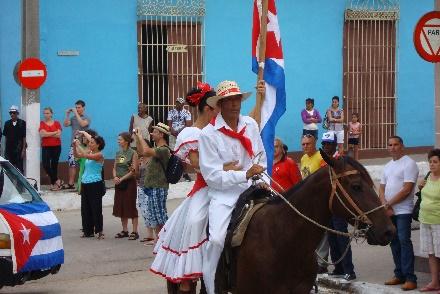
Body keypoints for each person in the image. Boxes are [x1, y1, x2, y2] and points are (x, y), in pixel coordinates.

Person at [151, 82, 224, 292]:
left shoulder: (219, 131)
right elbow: (197, 165)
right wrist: (225, 167)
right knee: (195, 222)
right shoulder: (191, 133)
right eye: (218, 106)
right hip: (205, 188)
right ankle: (186, 279)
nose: (222, 110)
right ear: (209, 108)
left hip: (227, 184)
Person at [198, 80, 267, 294]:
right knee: (217, 240)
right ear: (220, 104)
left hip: (254, 185)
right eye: (229, 101)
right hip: (224, 195)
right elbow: (212, 177)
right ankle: (211, 286)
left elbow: (260, 158)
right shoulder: (208, 134)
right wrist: (243, 174)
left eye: (237, 99)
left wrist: (259, 174)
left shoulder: (251, 125)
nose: (235, 104)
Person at [380, 135, 418, 291]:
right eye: (390, 145)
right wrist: (384, 205)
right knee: (394, 243)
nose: (392, 147)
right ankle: (399, 274)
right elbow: (381, 188)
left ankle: (410, 278)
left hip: (403, 211)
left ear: (402, 146)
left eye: (395, 144)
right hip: (389, 211)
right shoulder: (388, 166)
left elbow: (407, 189)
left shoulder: (409, 164)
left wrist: (389, 204)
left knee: (404, 241)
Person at [320, 131, 356, 281]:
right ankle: (338, 268)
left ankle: (349, 270)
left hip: (338, 206)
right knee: (332, 238)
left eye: (329, 144)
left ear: (335, 145)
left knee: (341, 237)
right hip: (328, 205)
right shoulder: (324, 161)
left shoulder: (339, 160)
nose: (326, 146)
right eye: (324, 144)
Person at [134, 122, 171, 242]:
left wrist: (140, 136)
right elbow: (142, 152)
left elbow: (146, 151)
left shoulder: (164, 150)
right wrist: (137, 138)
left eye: (154, 132)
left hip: (159, 187)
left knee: (160, 217)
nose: (152, 134)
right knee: (154, 217)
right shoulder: (157, 149)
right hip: (152, 187)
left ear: (161, 134)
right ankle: (159, 240)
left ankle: (166, 240)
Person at [300, 133, 327, 272]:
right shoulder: (304, 158)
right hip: (307, 200)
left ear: (315, 143)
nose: (305, 146)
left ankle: (322, 263)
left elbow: (324, 178)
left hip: (319, 200)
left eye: (308, 144)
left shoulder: (321, 157)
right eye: (303, 144)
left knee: (322, 232)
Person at [73, 131, 105, 240]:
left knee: (96, 208)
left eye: (92, 143)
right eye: (90, 142)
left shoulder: (99, 155)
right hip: (85, 183)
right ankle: (88, 231)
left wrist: (79, 145)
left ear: (98, 145)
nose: (89, 144)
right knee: (85, 208)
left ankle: (99, 231)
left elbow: (86, 155)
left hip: (95, 183)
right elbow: (77, 155)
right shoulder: (89, 152)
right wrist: (74, 146)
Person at [418, 149, 440, 292]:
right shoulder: (427, 176)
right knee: (431, 253)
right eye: (430, 161)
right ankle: (434, 282)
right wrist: (421, 187)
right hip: (425, 220)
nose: (432, 164)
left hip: (438, 221)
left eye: (435, 162)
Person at [113, 132, 139, 240]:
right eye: (118, 139)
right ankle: (125, 230)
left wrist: (122, 178)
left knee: (130, 206)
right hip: (119, 182)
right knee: (121, 206)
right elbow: (114, 167)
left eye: (120, 140)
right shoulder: (118, 153)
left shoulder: (133, 153)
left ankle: (135, 231)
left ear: (127, 141)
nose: (118, 141)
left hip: (129, 183)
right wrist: (115, 177)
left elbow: (134, 171)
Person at [63, 99, 91, 190]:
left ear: (83, 108)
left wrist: (75, 113)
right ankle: (71, 183)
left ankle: (83, 182)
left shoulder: (87, 117)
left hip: (84, 145)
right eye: (76, 107)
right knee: (72, 164)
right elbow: (66, 124)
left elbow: (82, 124)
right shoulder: (73, 118)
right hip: (74, 144)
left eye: (79, 107)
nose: (77, 109)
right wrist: (67, 115)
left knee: (84, 164)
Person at [167, 97, 192, 182]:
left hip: (182, 135)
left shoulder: (187, 113)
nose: (177, 104)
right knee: (173, 153)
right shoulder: (171, 112)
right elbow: (169, 124)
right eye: (176, 102)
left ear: (183, 104)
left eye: (179, 103)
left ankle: (185, 173)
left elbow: (188, 125)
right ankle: (173, 171)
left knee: (183, 154)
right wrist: (173, 131)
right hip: (173, 135)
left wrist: (179, 132)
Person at [39, 107, 63, 190]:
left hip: (56, 146)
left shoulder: (57, 123)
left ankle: (54, 185)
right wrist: (54, 132)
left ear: (51, 114)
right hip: (46, 146)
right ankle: (57, 180)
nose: (46, 115)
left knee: (54, 165)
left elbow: (58, 135)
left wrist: (48, 133)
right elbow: (42, 134)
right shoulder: (42, 123)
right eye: (44, 113)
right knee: (45, 165)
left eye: (48, 113)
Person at [3, 105, 26, 173]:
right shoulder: (7, 123)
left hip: (18, 149)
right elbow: (5, 137)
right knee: (9, 169)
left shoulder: (22, 123)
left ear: (17, 113)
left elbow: (24, 137)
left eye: (14, 113)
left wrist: (23, 150)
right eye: (10, 113)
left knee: (19, 168)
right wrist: (5, 149)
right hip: (9, 149)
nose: (12, 114)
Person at [137, 155, 155, 243]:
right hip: (141, 187)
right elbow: (138, 176)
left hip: (150, 188)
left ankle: (157, 236)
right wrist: (138, 165)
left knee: (150, 211)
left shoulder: (152, 159)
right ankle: (150, 235)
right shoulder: (141, 160)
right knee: (144, 211)